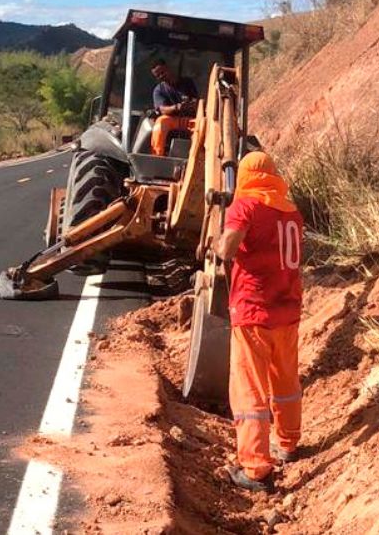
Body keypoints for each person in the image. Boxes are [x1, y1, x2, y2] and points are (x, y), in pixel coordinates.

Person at [215, 151, 304, 493]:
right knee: (286, 380)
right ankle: (288, 442)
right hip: (287, 310)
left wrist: (216, 244)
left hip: (254, 311)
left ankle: (255, 469)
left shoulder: (246, 206)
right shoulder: (291, 211)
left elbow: (227, 249)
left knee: (249, 389)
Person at [149, 59, 197, 156]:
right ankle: (157, 155)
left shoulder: (187, 82)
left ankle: (197, 155)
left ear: (168, 68)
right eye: (157, 76)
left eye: (162, 72)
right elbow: (162, 109)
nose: (161, 76)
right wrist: (176, 107)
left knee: (204, 124)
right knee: (160, 122)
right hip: (172, 120)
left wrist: (191, 105)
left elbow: (196, 101)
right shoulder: (159, 90)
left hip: (190, 119)